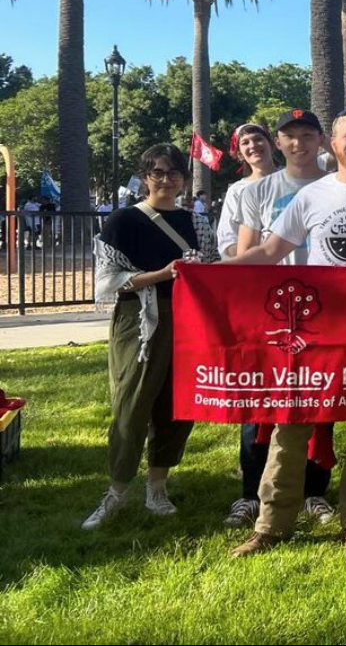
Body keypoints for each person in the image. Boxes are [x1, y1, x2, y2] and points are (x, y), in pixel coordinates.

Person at [229, 110, 346, 555]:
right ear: (334, 143)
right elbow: (270, 251)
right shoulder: (311, 197)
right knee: (290, 428)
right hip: (313, 333)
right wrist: (216, 269)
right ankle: (271, 525)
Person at [84, 144, 219, 530]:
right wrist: (163, 274)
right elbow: (108, 283)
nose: (166, 179)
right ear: (145, 177)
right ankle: (116, 491)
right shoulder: (124, 221)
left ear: (183, 178)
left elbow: (210, 270)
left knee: (176, 406)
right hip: (139, 320)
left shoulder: (198, 223)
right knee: (131, 404)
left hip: (187, 321)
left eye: (174, 172)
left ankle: (157, 487)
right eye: (157, 172)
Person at [215, 123, 276, 260]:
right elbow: (228, 240)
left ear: (272, 144)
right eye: (245, 143)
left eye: (258, 139)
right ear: (239, 154)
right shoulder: (237, 191)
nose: (253, 146)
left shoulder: (294, 177)